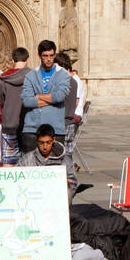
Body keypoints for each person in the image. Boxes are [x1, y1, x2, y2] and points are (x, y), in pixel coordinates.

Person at [20, 40, 72, 153]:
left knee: (54, 165)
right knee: (31, 167)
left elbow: (59, 96)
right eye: (45, 56)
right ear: (39, 56)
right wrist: (52, 99)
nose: (48, 59)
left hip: (55, 129)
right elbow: (27, 101)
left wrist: (37, 96)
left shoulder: (63, 74)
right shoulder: (30, 76)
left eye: (51, 55)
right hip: (32, 129)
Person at [0, 47, 30, 166]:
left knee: (9, 162)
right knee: (29, 163)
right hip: (29, 126)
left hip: (9, 124)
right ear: (27, 60)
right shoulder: (34, 76)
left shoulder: (4, 78)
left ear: (13, 60)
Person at [56, 50, 83, 188]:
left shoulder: (62, 81)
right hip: (70, 122)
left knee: (59, 154)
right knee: (68, 153)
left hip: (61, 122)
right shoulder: (74, 82)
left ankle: (64, 180)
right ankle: (71, 180)